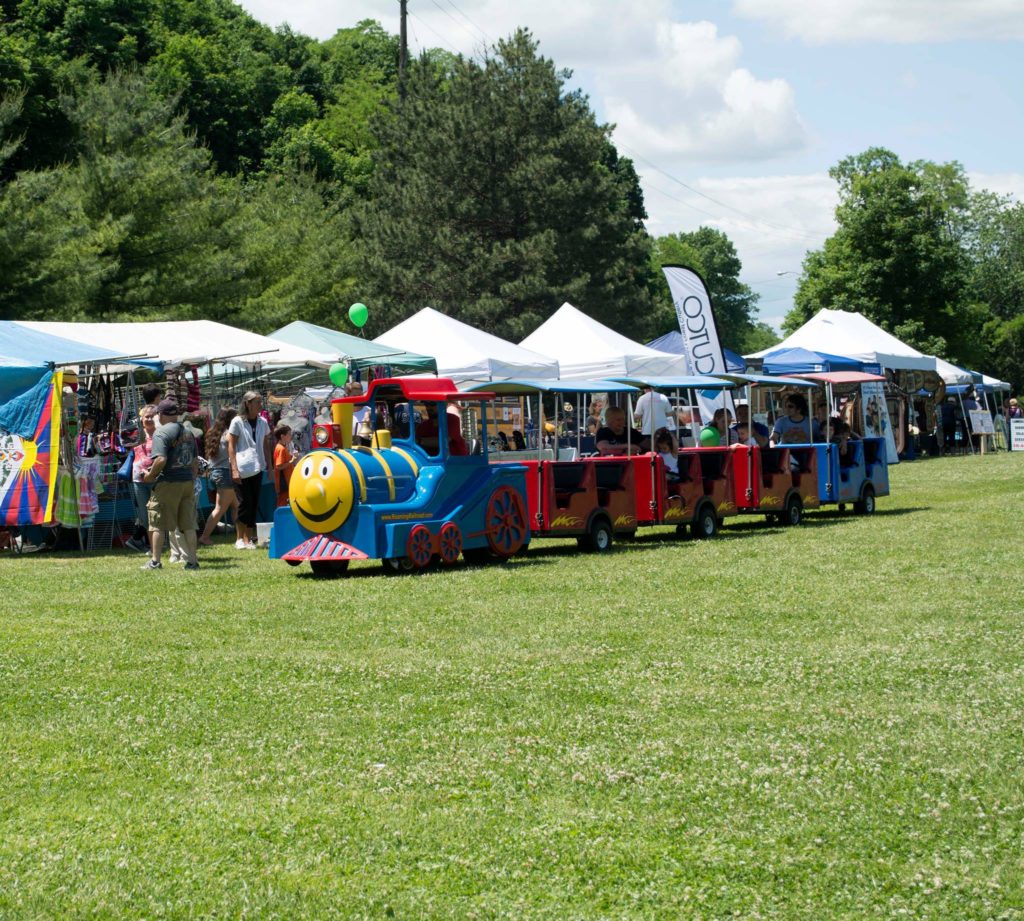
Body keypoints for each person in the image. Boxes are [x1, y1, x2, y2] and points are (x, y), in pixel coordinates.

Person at [141, 399, 200, 571]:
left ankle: (155, 561)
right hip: (187, 481)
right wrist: (192, 478)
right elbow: (195, 461)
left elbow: (160, 459)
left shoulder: (161, 433)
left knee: (157, 522)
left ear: (161, 414)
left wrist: (150, 476)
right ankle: (193, 561)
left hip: (168, 482)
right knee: (188, 524)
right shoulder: (189, 432)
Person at [228, 391, 272, 550]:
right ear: (248, 403)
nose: (260, 405)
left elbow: (266, 445)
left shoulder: (263, 422)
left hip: (257, 467)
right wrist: (234, 469)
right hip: (242, 467)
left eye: (260, 402)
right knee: (243, 503)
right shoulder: (237, 422)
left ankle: (248, 538)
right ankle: (239, 538)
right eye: (257, 402)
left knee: (253, 502)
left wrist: (269, 466)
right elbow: (231, 446)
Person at [199, 407, 239, 546]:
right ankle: (204, 537)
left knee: (236, 506)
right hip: (224, 473)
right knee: (220, 509)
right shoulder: (229, 434)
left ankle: (241, 536)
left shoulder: (212, 433)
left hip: (215, 473)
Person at [125, 405, 158, 552]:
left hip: (157, 478)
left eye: (152, 416)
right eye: (147, 416)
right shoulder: (136, 435)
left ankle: (162, 545)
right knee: (145, 517)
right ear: (141, 419)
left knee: (158, 514)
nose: (149, 419)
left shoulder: (161, 435)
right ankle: (153, 547)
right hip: (139, 479)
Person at [273, 423, 297, 506]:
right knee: (282, 504)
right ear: (282, 436)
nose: (291, 436)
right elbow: (279, 466)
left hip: (287, 481)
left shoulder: (282, 447)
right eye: (289, 434)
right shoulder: (281, 448)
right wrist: (292, 460)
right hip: (283, 482)